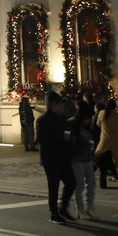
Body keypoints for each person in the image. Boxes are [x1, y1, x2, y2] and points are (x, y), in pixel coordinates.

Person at [36, 92, 75, 224]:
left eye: (62, 103)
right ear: (52, 105)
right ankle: (54, 213)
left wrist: (71, 152)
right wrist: (61, 138)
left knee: (71, 182)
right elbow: (41, 139)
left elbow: (68, 135)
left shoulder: (62, 118)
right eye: (59, 103)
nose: (61, 106)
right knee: (53, 186)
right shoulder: (43, 119)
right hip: (51, 159)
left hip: (63, 157)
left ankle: (63, 208)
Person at [69, 103, 96, 219]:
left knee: (92, 183)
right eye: (87, 119)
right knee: (79, 185)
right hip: (77, 158)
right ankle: (80, 210)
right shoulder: (72, 125)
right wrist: (71, 156)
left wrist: (92, 154)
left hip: (87, 158)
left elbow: (92, 140)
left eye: (90, 119)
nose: (88, 121)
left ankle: (90, 207)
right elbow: (69, 142)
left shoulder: (87, 127)